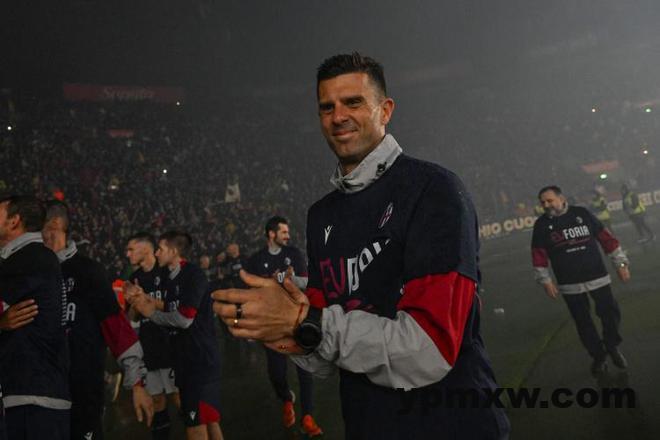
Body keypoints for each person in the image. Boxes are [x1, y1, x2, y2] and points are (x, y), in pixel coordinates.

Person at [212, 53, 510, 439]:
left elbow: (430, 350)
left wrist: (303, 321)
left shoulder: (433, 190)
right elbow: (322, 359)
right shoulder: (321, 215)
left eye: (353, 102)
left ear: (385, 110)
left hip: (454, 426)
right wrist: (276, 327)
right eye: (327, 107)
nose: (338, 116)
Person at [42, 200, 154, 439]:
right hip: (40, 396)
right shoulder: (32, 272)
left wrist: (136, 383)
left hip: (82, 396)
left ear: (55, 225)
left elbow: (116, 328)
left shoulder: (87, 271)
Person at [127, 231, 223, 440]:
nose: (157, 253)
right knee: (205, 420)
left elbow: (184, 319)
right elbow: (168, 307)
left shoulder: (192, 275)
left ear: (173, 251)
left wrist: (150, 312)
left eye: (160, 249)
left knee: (197, 424)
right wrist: (141, 301)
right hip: (182, 359)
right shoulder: (168, 277)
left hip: (198, 360)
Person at [532, 186, 630, 375]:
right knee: (583, 323)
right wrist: (545, 280)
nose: (546, 205)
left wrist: (621, 263)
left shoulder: (582, 214)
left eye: (550, 200)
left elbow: (606, 239)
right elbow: (538, 255)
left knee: (610, 314)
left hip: (597, 276)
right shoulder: (541, 225)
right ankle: (598, 356)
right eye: (543, 202)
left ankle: (612, 345)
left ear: (561, 198)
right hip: (569, 284)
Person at [244, 216, 322, 436]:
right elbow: (251, 292)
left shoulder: (294, 254)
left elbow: (305, 284)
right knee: (276, 373)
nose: (288, 235)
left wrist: (291, 280)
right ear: (272, 234)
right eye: (284, 232)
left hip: (297, 320)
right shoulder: (256, 260)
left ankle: (308, 417)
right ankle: (286, 398)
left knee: (305, 370)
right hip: (272, 325)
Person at [0, 195, 70, 439]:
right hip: (33, 393)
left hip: (34, 397)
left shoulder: (28, 258)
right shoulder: (33, 257)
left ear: (14, 221)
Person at [126, 232, 180, 440]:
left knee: (180, 398)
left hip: (171, 345)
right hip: (149, 348)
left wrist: (145, 298)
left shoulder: (166, 272)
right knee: (157, 402)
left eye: (131, 249)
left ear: (146, 249)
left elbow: (176, 306)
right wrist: (134, 304)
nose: (128, 254)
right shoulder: (133, 279)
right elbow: (132, 318)